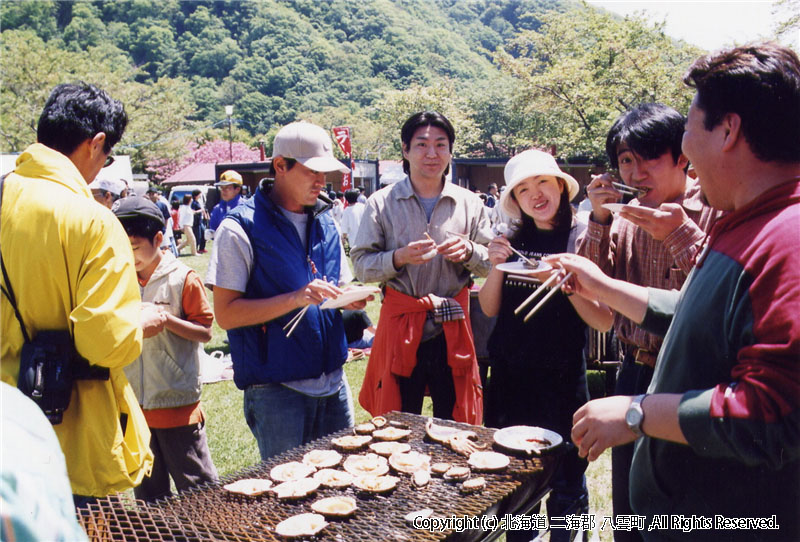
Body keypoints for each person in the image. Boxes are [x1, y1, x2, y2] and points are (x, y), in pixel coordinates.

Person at [550, 43, 800, 540]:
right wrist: (603, 285)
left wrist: (637, 412)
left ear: (727, 131)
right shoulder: (747, 219)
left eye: (687, 129)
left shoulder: (787, 238)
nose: (684, 152)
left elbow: (771, 415)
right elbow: (695, 315)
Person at [0, 82, 154, 503]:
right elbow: (104, 343)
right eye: (106, 156)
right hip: (67, 437)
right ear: (96, 143)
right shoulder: (94, 221)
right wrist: (137, 321)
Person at [576, 102, 718, 541]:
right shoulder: (622, 220)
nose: (636, 173)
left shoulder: (714, 209)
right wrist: (598, 219)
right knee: (631, 507)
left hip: (690, 378)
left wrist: (676, 233)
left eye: (650, 157)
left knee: (688, 510)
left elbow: (714, 294)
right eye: (625, 160)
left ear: (682, 156)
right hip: (633, 370)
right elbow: (590, 290)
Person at [206, 121, 366, 460]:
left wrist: (351, 297)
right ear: (280, 166)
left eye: (326, 173)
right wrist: (296, 298)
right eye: (312, 172)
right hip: (277, 391)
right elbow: (226, 314)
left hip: (334, 381)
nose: (322, 182)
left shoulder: (325, 220)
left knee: (345, 488)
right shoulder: (238, 228)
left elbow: (338, 283)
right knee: (288, 496)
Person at [478, 149, 613, 542]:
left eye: (542, 183)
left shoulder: (582, 236)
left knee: (567, 479)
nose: (535, 194)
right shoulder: (512, 239)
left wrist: (566, 283)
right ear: (514, 200)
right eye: (522, 190)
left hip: (561, 377)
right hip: (510, 376)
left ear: (560, 186)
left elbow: (603, 319)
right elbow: (489, 308)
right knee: (516, 481)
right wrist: (495, 266)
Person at [351, 110, 492, 425]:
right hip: (401, 325)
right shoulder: (381, 202)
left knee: (455, 423)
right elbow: (361, 266)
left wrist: (470, 251)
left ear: (451, 151)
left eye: (441, 145)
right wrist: (398, 257)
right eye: (422, 144)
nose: (432, 154)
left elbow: (492, 263)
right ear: (405, 150)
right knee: (397, 423)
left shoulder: (470, 203)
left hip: (452, 326)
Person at [112, 197, 218, 502]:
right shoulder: (121, 279)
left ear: (158, 239)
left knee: (199, 492)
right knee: (148, 494)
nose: (128, 257)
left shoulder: (183, 278)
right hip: (134, 408)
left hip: (177, 405)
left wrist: (167, 319)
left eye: (133, 248)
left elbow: (206, 332)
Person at [147, 186, 177, 256]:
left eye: (153, 194)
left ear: (157, 194)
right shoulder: (148, 205)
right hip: (152, 229)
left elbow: (166, 217)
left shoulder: (162, 205)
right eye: (150, 194)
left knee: (166, 246)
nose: (151, 196)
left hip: (162, 229)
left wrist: (165, 228)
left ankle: (169, 258)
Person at [191, 189, 209, 254]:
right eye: (199, 194)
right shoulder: (193, 203)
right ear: (196, 195)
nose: (200, 195)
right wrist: (200, 211)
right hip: (196, 222)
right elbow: (193, 212)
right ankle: (195, 249)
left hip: (200, 221)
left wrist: (205, 215)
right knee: (197, 236)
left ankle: (202, 248)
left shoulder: (198, 202)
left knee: (204, 233)